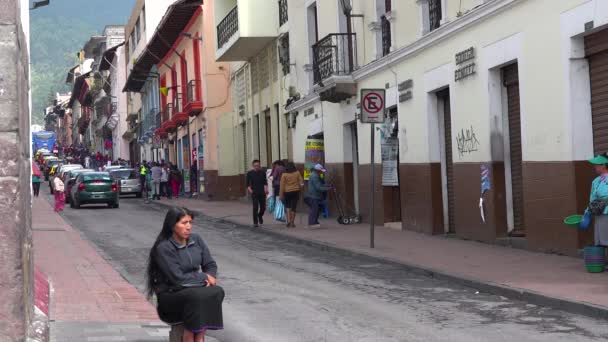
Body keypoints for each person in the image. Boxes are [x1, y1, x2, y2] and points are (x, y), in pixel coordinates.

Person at [145, 207, 224, 342]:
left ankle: (199, 336)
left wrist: (210, 275)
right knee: (196, 296)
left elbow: (210, 264)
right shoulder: (164, 247)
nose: (188, 227)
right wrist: (205, 277)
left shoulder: (196, 240)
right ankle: (189, 334)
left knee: (217, 291)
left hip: (194, 290)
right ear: (172, 225)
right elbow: (178, 278)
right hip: (170, 295)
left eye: (190, 222)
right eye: (184, 223)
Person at [587, 154, 608, 246]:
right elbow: (592, 199)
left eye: (597, 164)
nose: (594, 166)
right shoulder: (596, 181)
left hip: (606, 213)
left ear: (603, 165)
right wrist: (587, 212)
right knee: (601, 240)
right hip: (599, 213)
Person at [306, 164, 331, 229]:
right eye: (321, 171)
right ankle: (312, 223)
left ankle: (314, 222)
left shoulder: (316, 175)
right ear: (317, 170)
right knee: (314, 209)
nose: (321, 172)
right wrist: (328, 188)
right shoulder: (314, 176)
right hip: (314, 196)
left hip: (315, 195)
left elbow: (320, 184)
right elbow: (318, 187)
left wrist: (326, 185)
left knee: (316, 209)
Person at [279, 162, 304, 228]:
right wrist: (301, 187)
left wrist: (281, 195)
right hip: (295, 191)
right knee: (294, 207)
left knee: (288, 206)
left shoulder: (284, 175)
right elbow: (301, 182)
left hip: (287, 192)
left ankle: (288, 221)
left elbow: (282, 185)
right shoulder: (297, 173)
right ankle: (292, 222)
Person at [246, 160, 268, 228]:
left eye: (258, 166)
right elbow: (247, 184)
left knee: (263, 208)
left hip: (262, 192)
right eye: (255, 166)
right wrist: (251, 191)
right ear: (253, 166)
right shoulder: (250, 173)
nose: (256, 167)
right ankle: (255, 222)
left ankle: (260, 215)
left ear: (260, 166)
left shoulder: (263, 173)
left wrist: (266, 190)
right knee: (255, 207)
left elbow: (265, 183)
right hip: (254, 193)